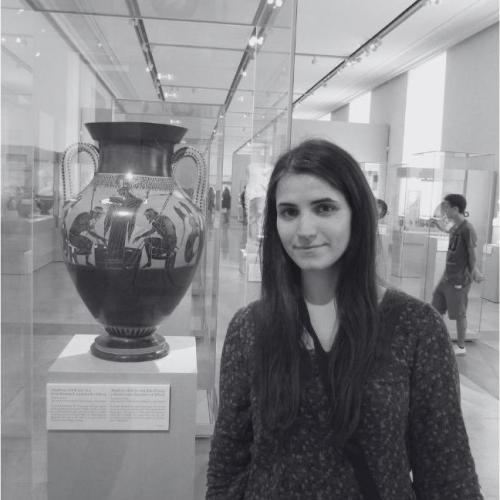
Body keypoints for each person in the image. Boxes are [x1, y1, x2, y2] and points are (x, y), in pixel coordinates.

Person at [206, 139, 481, 499]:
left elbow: (446, 475)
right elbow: (229, 462)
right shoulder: (250, 327)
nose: (304, 229)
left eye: (324, 208)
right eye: (289, 212)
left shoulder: (416, 327)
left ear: (356, 213)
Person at [431, 194, 484, 356]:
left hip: (459, 279)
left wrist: (474, 271)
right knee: (436, 307)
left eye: (446, 206)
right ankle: (434, 339)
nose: (444, 209)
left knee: (459, 313)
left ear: (455, 209)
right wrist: (439, 226)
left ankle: (461, 347)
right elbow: (451, 234)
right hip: (447, 276)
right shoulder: (456, 227)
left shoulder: (468, 229)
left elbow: (471, 254)